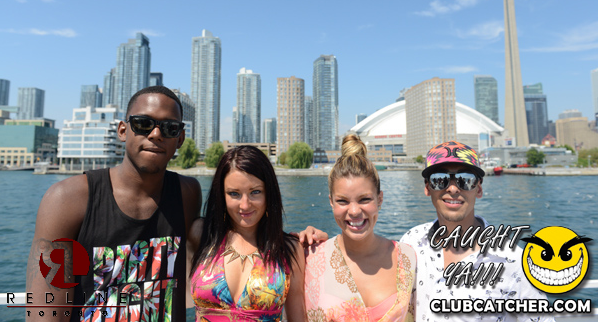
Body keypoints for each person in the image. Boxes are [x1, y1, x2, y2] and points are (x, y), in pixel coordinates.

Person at [25, 86, 202, 322]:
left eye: (170, 128)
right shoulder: (67, 199)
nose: (156, 134)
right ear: (122, 130)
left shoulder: (187, 193)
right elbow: (44, 312)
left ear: (180, 139)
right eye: (143, 124)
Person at [400, 141, 554, 322]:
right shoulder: (411, 243)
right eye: (439, 179)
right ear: (428, 188)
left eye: (465, 180)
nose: (453, 188)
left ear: (478, 189)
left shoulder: (513, 261)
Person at [304, 134, 417, 322]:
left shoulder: (408, 258)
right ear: (331, 202)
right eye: (343, 201)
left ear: (380, 199)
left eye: (364, 199)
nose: (355, 211)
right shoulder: (309, 257)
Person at [188, 145, 306, 321]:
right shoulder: (200, 234)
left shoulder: (289, 249)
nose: (245, 205)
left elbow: (298, 318)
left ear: (269, 193)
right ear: (222, 196)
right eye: (234, 194)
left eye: (255, 192)